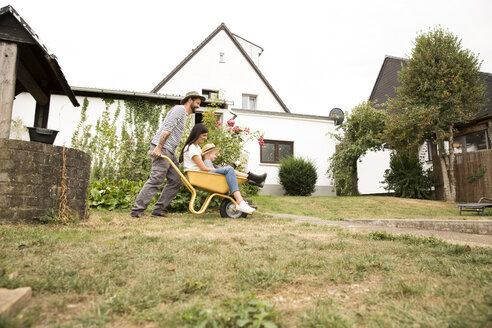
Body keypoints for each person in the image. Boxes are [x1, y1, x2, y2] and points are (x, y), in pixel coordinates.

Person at [130, 91, 205, 218]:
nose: (198, 106)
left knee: (176, 180)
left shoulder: (184, 115)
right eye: (197, 103)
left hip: (169, 150)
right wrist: (159, 147)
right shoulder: (179, 110)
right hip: (162, 147)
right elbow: (167, 128)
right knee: (156, 179)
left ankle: (159, 209)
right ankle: (137, 210)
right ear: (190, 100)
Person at [179, 124, 256, 214]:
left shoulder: (196, 147)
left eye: (206, 135)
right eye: (204, 135)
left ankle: (249, 183)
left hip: (199, 174)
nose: (205, 138)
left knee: (228, 171)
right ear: (197, 134)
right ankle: (241, 202)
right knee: (229, 170)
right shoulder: (191, 148)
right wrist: (222, 171)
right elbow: (203, 168)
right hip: (199, 175)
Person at [201, 143, 267, 188]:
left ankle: (256, 182)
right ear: (208, 153)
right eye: (215, 154)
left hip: (217, 178)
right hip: (215, 180)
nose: (216, 156)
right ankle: (256, 179)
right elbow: (211, 173)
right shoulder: (207, 162)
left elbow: (218, 169)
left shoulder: (209, 162)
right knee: (233, 172)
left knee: (233, 171)